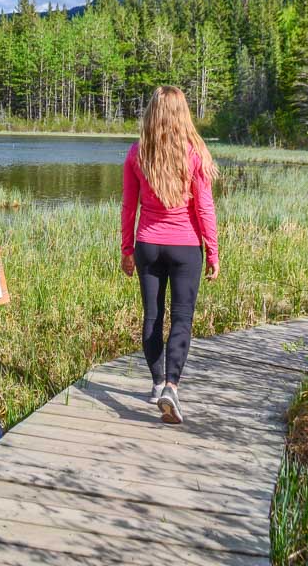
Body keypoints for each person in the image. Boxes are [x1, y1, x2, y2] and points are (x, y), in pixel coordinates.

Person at [120, 86, 220, 424]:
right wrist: (213, 252)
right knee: (181, 319)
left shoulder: (137, 154)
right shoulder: (195, 154)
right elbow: (205, 208)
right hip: (185, 248)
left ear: (152, 114)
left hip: (148, 245)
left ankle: (157, 381)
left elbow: (128, 207)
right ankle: (172, 387)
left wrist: (126, 250)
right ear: (182, 115)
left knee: (152, 316)